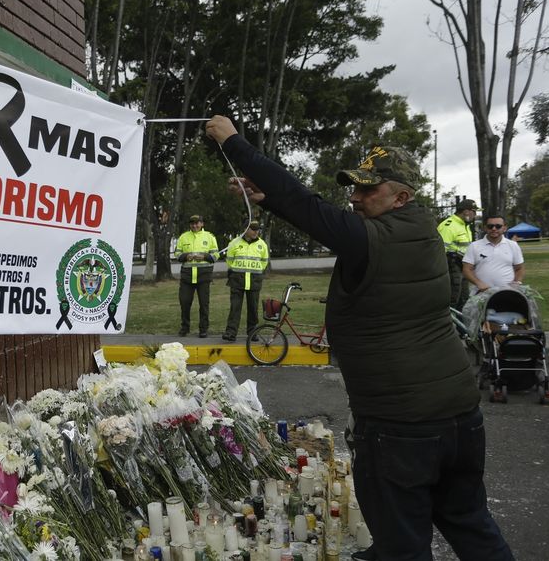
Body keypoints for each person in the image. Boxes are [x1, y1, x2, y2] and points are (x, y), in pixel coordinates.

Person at [205, 115, 513, 561]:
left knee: (402, 547)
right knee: (471, 523)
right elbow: (310, 212)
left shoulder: (374, 238)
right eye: (354, 187)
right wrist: (267, 199)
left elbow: (307, 205)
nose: (354, 197)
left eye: (368, 190)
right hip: (459, 417)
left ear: (401, 196)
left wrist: (234, 143)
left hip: (401, 428)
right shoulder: (422, 228)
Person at [222, 220, 270, 342]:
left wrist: (255, 272)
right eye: (253, 229)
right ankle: (231, 333)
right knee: (235, 308)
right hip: (237, 281)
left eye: (257, 229)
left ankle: (252, 332)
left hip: (254, 281)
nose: (256, 231)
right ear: (245, 229)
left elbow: (264, 262)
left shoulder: (262, 244)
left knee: (253, 309)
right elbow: (229, 260)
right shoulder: (234, 243)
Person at [174, 214, 219, 337]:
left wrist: (204, 256)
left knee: (204, 304)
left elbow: (216, 255)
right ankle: (185, 327)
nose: (194, 225)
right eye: (192, 223)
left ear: (202, 224)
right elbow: (177, 254)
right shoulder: (183, 237)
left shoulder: (209, 237)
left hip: (203, 276)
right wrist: (185, 256)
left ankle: (203, 329)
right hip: (187, 276)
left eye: (197, 223)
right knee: (184, 303)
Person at [462, 215, 525, 292]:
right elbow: (467, 269)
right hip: (481, 292)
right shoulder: (474, 246)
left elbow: (519, 268)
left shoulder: (513, 245)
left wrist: (516, 283)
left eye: (498, 226)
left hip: (508, 292)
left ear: (505, 228)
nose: (494, 229)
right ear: (485, 228)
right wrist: (478, 283)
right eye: (490, 226)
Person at [437, 199, 478, 310]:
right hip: (452, 267)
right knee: (453, 298)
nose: (475, 215)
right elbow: (440, 251)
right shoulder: (449, 226)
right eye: (474, 211)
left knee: (463, 298)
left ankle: (461, 320)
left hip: (462, 266)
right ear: (466, 212)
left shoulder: (464, 225)